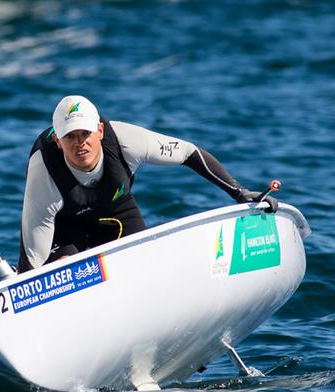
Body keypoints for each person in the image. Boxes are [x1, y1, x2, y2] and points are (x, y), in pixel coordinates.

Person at [17, 95, 277, 273]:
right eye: (70, 136)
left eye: (85, 133)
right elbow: (32, 257)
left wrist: (239, 193)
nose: (79, 142)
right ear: (57, 142)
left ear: (100, 131)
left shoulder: (126, 140)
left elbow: (189, 153)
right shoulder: (44, 172)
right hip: (65, 221)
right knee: (63, 268)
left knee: (139, 266)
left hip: (116, 212)